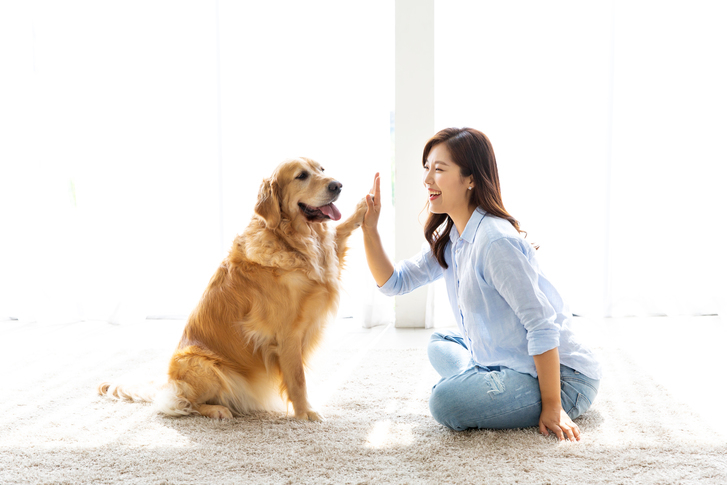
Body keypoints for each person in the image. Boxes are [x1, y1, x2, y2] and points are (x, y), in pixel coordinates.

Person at [361, 127, 602, 441]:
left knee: (444, 403)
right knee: (441, 343)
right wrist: (370, 230)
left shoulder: (495, 242)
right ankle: (483, 379)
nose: (427, 180)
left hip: (565, 377)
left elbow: (542, 326)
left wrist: (553, 406)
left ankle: (501, 388)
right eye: (427, 169)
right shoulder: (453, 238)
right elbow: (395, 282)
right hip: (509, 358)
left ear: (470, 178)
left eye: (439, 169)